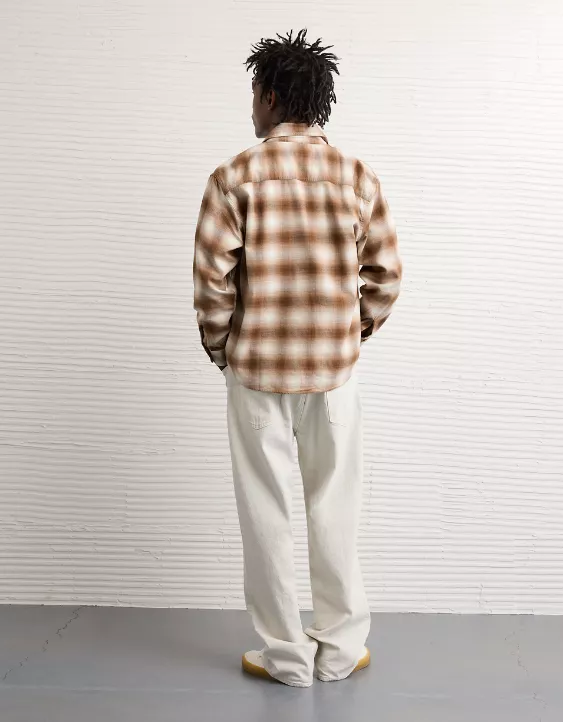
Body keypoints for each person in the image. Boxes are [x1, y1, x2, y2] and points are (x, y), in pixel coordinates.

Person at [193, 28, 402, 688]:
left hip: (257, 371)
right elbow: (386, 276)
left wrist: (223, 348)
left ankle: (285, 657)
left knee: (266, 512)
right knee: (335, 506)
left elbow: (211, 283)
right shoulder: (357, 178)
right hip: (333, 375)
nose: (251, 105)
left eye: (254, 93)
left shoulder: (233, 178)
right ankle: (339, 649)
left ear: (270, 96)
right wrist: (349, 333)